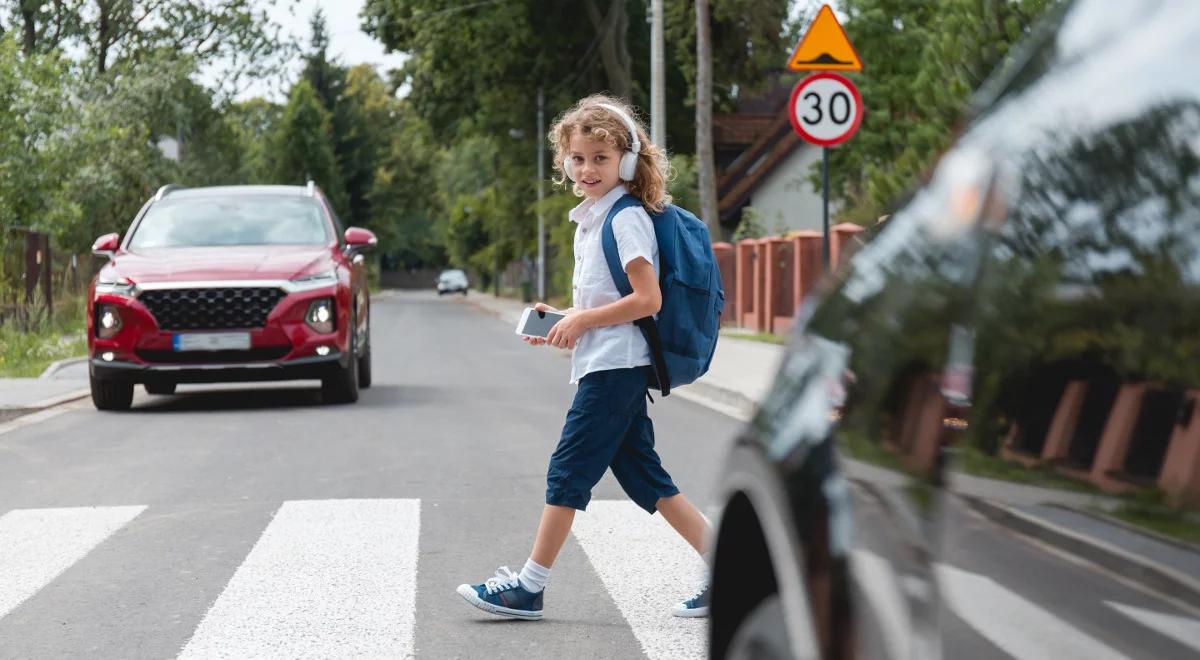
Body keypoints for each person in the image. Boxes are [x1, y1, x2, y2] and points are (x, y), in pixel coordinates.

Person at [455, 94, 712, 621]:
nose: (587, 168)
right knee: (647, 480)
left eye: (600, 157)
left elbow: (648, 300)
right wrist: (566, 316)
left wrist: (582, 321)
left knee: (567, 472)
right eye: (578, 157)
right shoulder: (594, 219)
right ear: (563, 160)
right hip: (608, 362)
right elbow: (607, 296)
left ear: (626, 160)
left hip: (616, 368)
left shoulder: (624, 218)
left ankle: (529, 586)